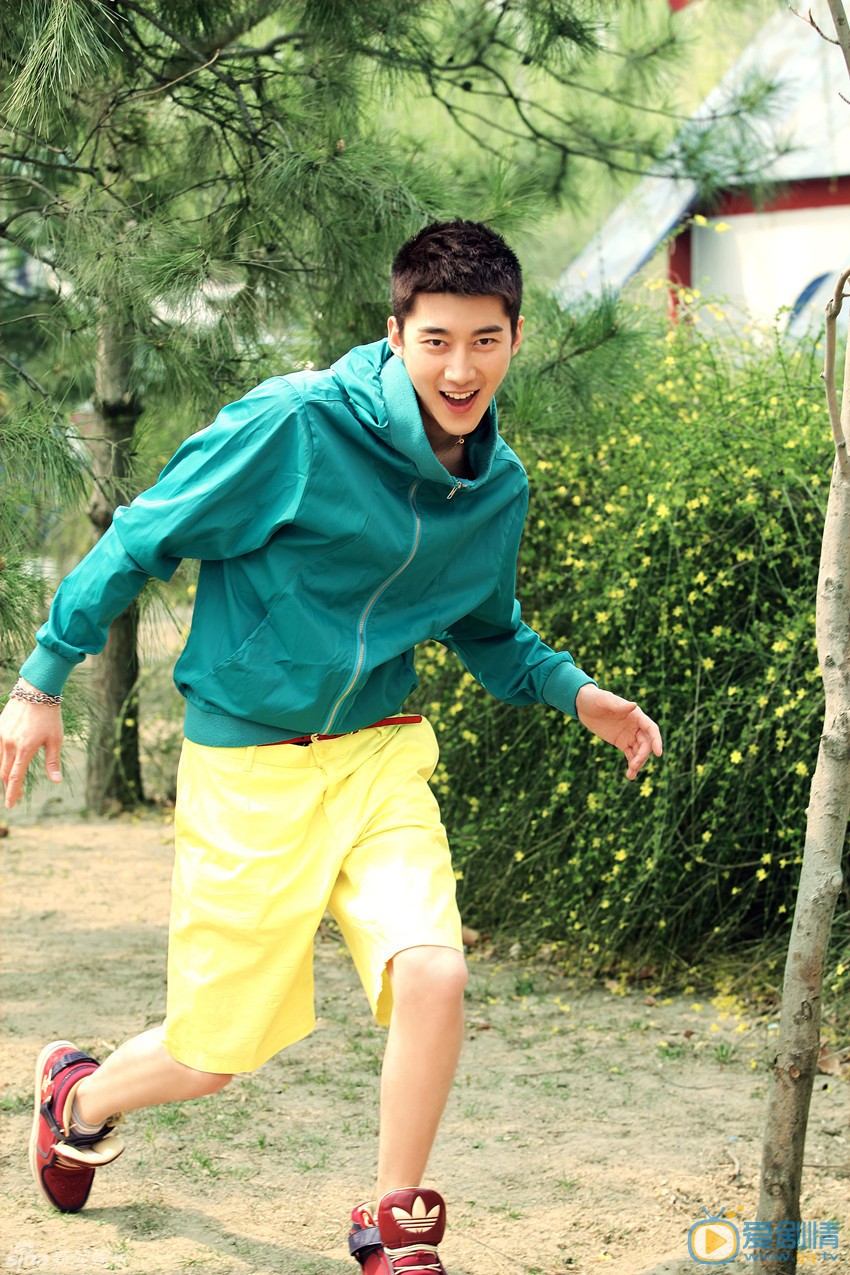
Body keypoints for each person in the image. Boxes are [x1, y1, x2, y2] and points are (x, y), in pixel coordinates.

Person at [0, 219, 662, 1273]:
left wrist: (576, 694)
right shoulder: (295, 424)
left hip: (378, 753)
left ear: (515, 337)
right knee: (214, 1054)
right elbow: (143, 534)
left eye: (484, 341)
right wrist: (42, 678)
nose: (460, 369)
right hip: (248, 764)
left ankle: (393, 1222)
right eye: (436, 340)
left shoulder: (496, 485)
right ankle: (77, 1098)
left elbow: (489, 629)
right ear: (395, 333)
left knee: (434, 972)